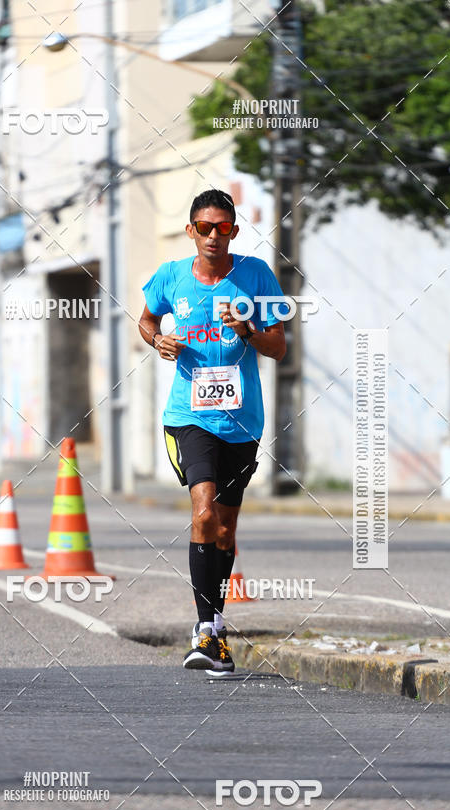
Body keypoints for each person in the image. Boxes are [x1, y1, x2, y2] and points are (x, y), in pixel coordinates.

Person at [139, 188, 286, 674]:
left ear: (235, 232)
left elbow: (279, 348)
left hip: (242, 422)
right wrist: (158, 339)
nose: (214, 236)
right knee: (203, 514)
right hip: (189, 417)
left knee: (225, 529)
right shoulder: (171, 277)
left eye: (223, 228)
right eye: (205, 227)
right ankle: (204, 632)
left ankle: (217, 628)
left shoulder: (256, 276)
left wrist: (246, 329)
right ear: (191, 231)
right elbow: (145, 319)